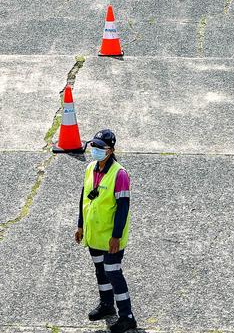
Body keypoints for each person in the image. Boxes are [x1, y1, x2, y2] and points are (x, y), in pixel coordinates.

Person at [75, 129, 135, 333]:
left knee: (114, 273)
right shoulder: (90, 168)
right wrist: (80, 225)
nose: (96, 150)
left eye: (101, 147)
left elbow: (123, 208)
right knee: (100, 271)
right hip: (94, 235)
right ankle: (107, 305)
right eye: (94, 146)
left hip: (111, 237)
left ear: (111, 150)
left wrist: (116, 236)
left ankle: (127, 316)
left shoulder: (120, 174)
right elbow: (84, 197)